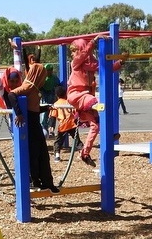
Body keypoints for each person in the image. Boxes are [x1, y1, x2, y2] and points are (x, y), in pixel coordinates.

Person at [67, 35, 122, 167]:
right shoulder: (75, 63)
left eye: (75, 50)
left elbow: (106, 68)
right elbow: (83, 54)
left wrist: (120, 62)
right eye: (73, 51)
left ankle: (85, 153)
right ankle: (109, 133)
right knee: (97, 103)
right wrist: (93, 42)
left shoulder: (91, 64)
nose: (74, 54)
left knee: (96, 125)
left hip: (86, 96)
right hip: (76, 95)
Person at [8, 62, 59, 193]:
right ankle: (35, 181)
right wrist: (19, 114)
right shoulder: (29, 86)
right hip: (30, 126)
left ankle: (47, 182)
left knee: (43, 155)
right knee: (34, 155)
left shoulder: (34, 88)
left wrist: (45, 108)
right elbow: (11, 95)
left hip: (35, 124)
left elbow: (33, 108)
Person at [50, 85, 76, 162]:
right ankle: (84, 153)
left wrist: (51, 127)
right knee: (76, 140)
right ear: (65, 94)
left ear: (56, 95)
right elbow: (74, 111)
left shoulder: (56, 104)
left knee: (58, 141)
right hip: (71, 123)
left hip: (63, 124)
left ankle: (57, 156)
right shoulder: (69, 102)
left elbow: (53, 117)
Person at [40, 63, 60, 137]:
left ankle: (51, 129)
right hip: (44, 99)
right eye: (47, 70)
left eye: (50, 70)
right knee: (44, 114)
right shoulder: (42, 78)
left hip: (52, 98)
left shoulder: (54, 78)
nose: (49, 71)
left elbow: (58, 86)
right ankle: (44, 129)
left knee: (52, 114)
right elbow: (39, 87)